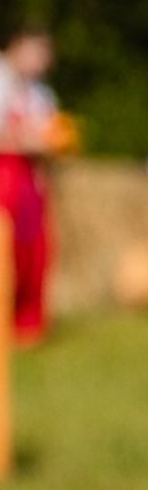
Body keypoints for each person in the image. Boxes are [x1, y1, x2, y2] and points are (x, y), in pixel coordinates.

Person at [0, 26, 66, 343]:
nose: (41, 61)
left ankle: (26, 324)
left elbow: (48, 134)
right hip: (5, 172)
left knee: (33, 249)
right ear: (17, 46)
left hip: (31, 177)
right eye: (35, 51)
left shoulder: (41, 93)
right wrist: (23, 141)